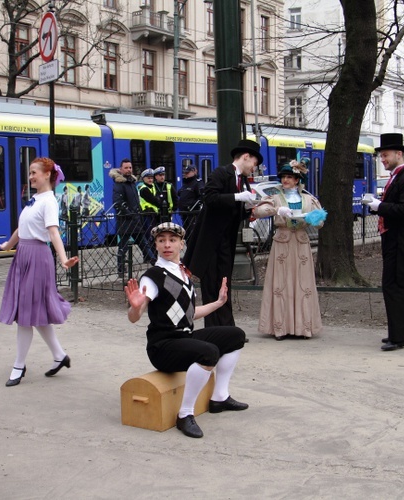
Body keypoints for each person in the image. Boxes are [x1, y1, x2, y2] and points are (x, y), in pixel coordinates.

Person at [124, 222, 248, 439]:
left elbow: (189, 314)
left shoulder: (183, 273)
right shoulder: (153, 276)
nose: (167, 245)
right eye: (161, 241)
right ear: (155, 245)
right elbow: (136, 315)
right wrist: (135, 308)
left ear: (182, 244)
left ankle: (219, 396)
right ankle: (185, 414)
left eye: (172, 240)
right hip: (162, 346)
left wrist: (218, 303)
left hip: (184, 337)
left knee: (235, 335)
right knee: (209, 352)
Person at [0, 158, 79, 386]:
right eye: (30, 173)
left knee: (26, 314)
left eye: (34, 172)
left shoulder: (49, 202)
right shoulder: (35, 200)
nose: (31, 176)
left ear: (47, 174)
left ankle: (18, 365)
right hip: (24, 255)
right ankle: (59, 356)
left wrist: (63, 259)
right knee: (34, 312)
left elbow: (53, 233)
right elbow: (21, 228)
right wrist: (8, 244)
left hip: (36, 257)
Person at [183, 139, 260, 328]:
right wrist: (237, 197)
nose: (254, 169)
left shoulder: (241, 181)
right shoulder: (221, 173)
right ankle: (214, 328)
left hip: (226, 240)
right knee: (211, 285)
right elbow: (210, 198)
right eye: (254, 164)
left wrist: (252, 211)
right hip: (210, 241)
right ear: (246, 157)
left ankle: (226, 326)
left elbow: (235, 212)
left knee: (224, 283)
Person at [252, 161, 326, 340]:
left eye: (290, 177)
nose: (286, 180)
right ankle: (280, 327)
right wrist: (277, 209)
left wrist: (312, 218)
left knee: (303, 283)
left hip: (300, 242)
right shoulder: (275, 197)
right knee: (281, 283)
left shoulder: (309, 199)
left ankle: (303, 327)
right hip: (282, 243)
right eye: (284, 177)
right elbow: (258, 211)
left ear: (297, 180)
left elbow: (320, 223)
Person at [363, 133, 404, 352]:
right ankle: (401, 334)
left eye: (385, 155)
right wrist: (376, 205)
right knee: (398, 287)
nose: (383, 159)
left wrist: (379, 206)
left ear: (399, 154)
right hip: (395, 241)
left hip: (401, 243)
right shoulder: (397, 178)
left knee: (395, 287)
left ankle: (399, 336)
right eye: (381, 156)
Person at [111, 159, 156, 276]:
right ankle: (121, 270)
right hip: (126, 220)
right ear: (121, 169)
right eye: (126, 168)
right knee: (124, 246)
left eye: (130, 167)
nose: (129, 170)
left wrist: (138, 213)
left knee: (144, 244)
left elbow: (135, 201)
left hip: (136, 220)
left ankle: (156, 265)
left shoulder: (132, 183)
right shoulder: (119, 184)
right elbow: (117, 202)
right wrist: (129, 213)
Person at [177, 164, 205, 239]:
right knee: (186, 234)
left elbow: (201, 197)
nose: (185, 174)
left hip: (192, 214)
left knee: (193, 233)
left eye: (187, 172)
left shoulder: (197, 183)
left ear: (194, 171)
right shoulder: (185, 184)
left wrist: (191, 208)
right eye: (185, 173)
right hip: (184, 213)